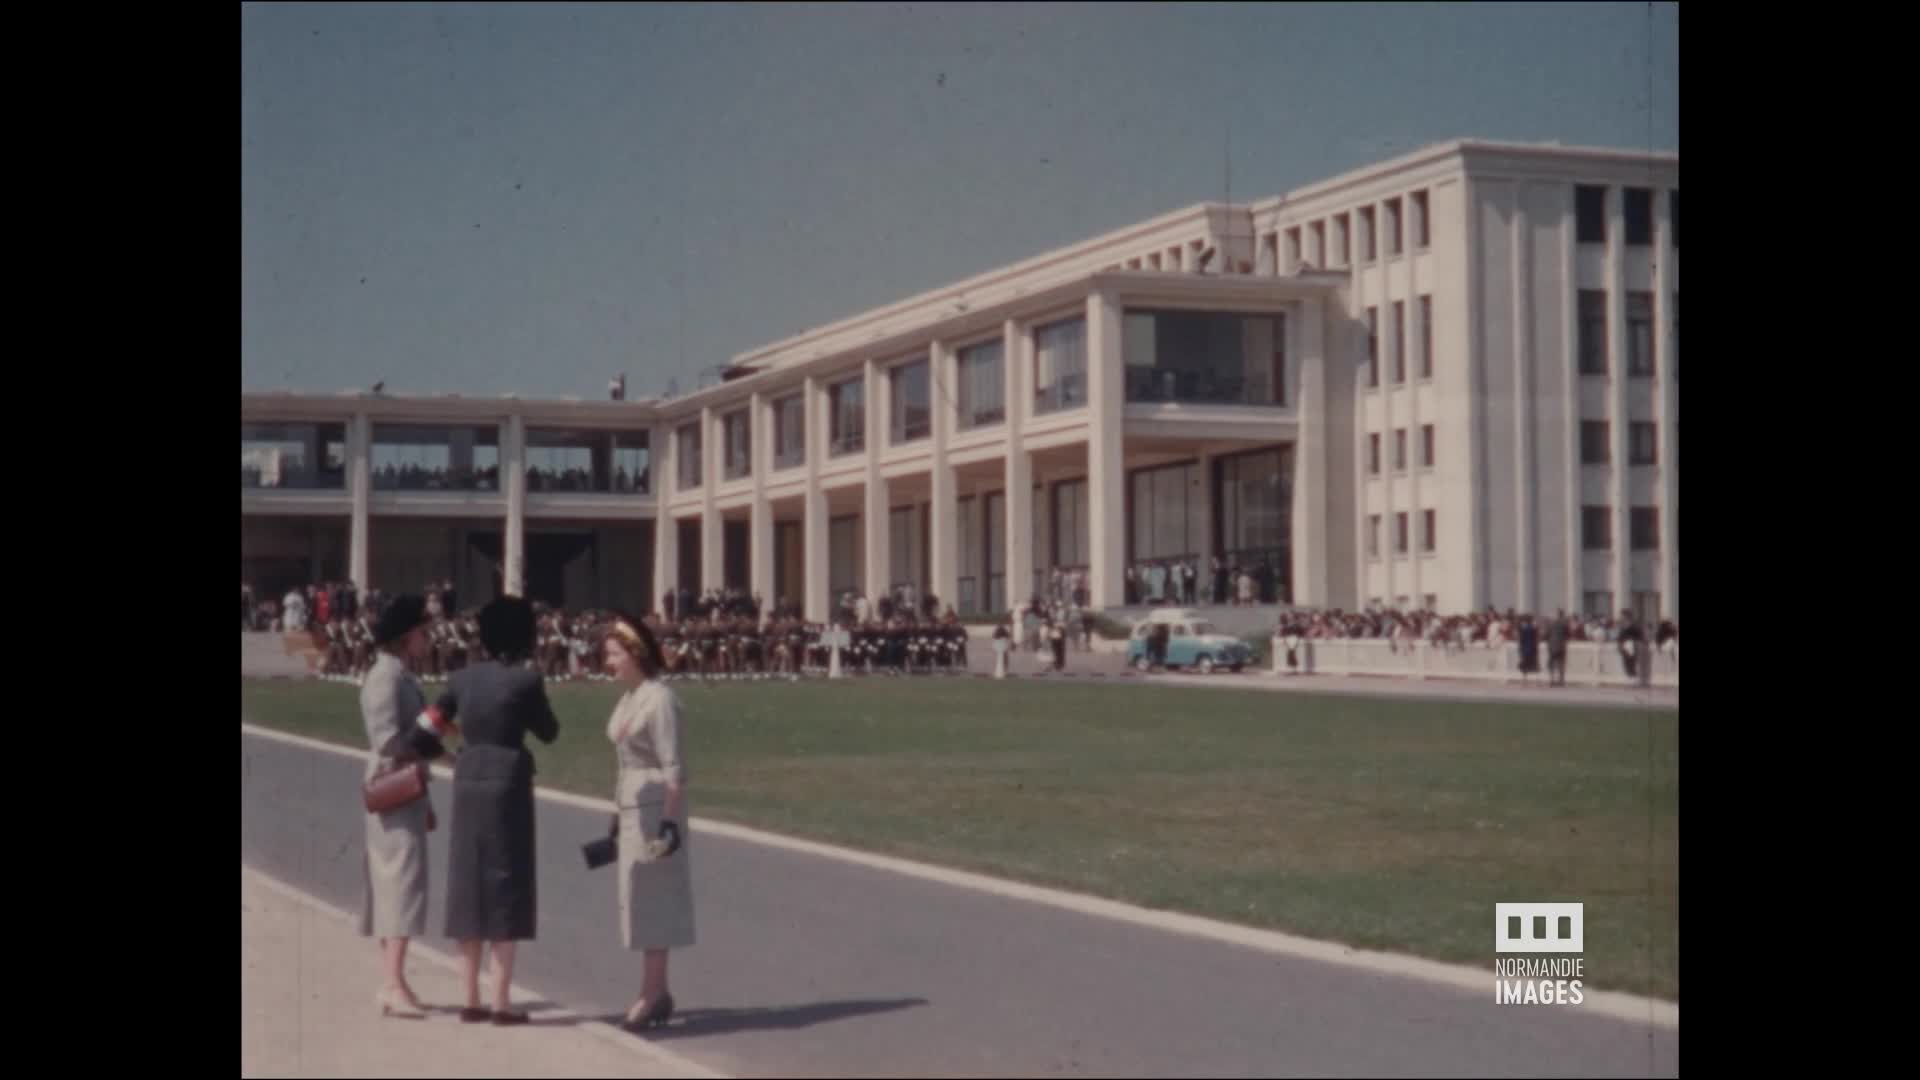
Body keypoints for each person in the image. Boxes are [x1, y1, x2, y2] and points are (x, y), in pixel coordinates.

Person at [405, 595, 559, 1025]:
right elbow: (549, 732)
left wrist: (459, 745)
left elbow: (420, 736)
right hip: (509, 779)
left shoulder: (460, 679)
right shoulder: (527, 681)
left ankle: (470, 998)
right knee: (507, 883)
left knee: (469, 881)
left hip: (469, 777)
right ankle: (501, 1003)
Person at [600, 614, 695, 1030]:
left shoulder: (659, 699)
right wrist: (615, 814)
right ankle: (658, 990)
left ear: (635, 654)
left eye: (614, 654)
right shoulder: (629, 697)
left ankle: (651, 992)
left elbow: (673, 766)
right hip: (632, 807)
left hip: (657, 809)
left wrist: (670, 824)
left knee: (653, 899)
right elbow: (624, 762)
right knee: (637, 899)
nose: (608, 662)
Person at [357, 595, 437, 1019]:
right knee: (401, 883)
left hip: (405, 786)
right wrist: (431, 749)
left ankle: (396, 978)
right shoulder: (385, 678)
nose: (428, 638)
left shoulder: (400, 674)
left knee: (399, 880)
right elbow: (388, 740)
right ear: (407, 636)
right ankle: (390, 982)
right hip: (394, 783)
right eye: (424, 631)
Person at [1547, 610, 1570, 687]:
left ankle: (1551, 680)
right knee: (1561, 663)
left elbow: (1546, 634)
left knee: (1552, 664)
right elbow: (1568, 635)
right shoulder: (1564, 624)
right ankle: (1561, 680)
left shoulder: (1551, 624)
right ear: (1562, 615)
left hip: (1552, 645)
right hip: (1561, 645)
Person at [1517, 616, 1540, 685]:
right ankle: (1536, 680)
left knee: (1525, 665)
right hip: (1532, 648)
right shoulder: (1533, 629)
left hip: (1525, 649)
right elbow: (1535, 638)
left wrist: (1520, 649)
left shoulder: (1523, 629)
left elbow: (1521, 640)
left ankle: (1524, 680)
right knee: (1533, 664)